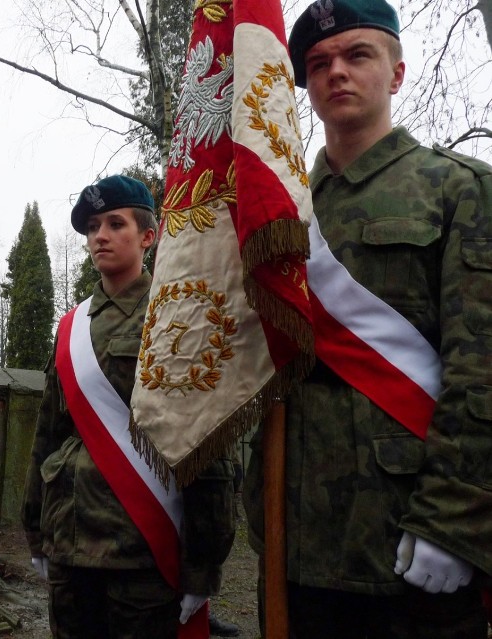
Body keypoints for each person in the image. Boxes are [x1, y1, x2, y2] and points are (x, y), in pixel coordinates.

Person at [243, 0, 492, 637]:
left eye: (358, 55)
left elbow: (481, 373)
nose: (337, 73)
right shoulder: (280, 210)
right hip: (294, 528)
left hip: (410, 533)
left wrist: (455, 521)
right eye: (319, 63)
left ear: (398, 72)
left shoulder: (460, 188)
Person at [21, 174, 237, 638]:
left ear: (148, 236)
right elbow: (47, 435)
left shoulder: (178, 318)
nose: (100, 235)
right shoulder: (71, 328)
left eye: (115, 223)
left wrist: (203, 563)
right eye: (93, 226)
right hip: (68, 543)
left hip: (140, 548)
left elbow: (205, 445)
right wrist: (35, 532)